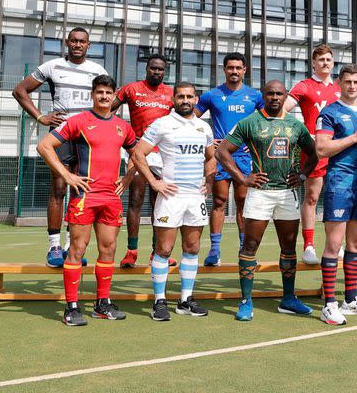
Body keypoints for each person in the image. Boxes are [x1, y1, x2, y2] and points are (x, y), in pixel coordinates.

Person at [36, 75, 137, 326]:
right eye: (100, 92)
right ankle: (71, 307)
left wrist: (127, 177)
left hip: (111, 198)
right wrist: (68, 175)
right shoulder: (78, 121)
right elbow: (45, 146)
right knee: (77, 250)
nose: (104, 96)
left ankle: (102, 303)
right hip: (85, 197)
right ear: (92, 95)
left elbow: (139, 154)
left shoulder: (123, 126)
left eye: (108, 93)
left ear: (115, 96)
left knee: (109, 249)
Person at [216, 80, 319, 322]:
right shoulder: (250, 122)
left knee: (289, 247)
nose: (274, 97)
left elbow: (314, 153)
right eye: (270, 93)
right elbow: (222, 151)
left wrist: (303, 175)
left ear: (285, 97)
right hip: (260, 193)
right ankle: (246, 301)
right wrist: (242, 178)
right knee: (250, 246)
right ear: (264, 96)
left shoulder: (295, 125)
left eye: (279, 94)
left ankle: (289, 299)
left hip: (287, 193)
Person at [13, 27, 107, 267]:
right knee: (58, 188)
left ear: (89, 45)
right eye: (74, 41)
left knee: (81, 189)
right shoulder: (52, 66)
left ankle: (71, 246)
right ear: (67, 43)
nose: (77, 45)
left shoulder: (97, 70)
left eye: (82, 42)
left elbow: (108, 99)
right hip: (62, 134)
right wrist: (40, 117)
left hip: (87, 136)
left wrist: (99, 125)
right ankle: (54, 246)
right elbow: (20, 91)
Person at [132, 82, 217, 321]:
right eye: (180, 96)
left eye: (190, 96)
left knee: (192, 248)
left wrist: (209, 182)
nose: (185, 100)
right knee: (164, 249)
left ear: (196, 100)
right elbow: (138, 154)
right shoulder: (163, 124)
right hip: (170, 196)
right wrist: (153, 182)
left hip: (195, 197)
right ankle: (159, 301)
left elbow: (211, 158)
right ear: (174, 99)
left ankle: (185, 300)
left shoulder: (204, 127)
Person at [315, 64, 357, 325]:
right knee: (334, 245)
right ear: (339, 83)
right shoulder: (329, 113)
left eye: (356, 82)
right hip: (338, 185)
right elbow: (321, 148)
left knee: (356, 246)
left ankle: (351, 299)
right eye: (347, 81)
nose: (352, 86)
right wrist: (354, 138)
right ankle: (329, 304)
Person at [195, 53, 263, 266]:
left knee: (244, 203)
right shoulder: (212, 96)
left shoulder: (254, 96)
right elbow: (189, 119)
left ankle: (245, 249)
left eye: (238, 68)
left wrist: (254, 141)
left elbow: (266, 121)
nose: (234, 71)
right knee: (218, 201)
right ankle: (215, 251)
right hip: (222, 157)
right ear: (224, 69)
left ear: (244, 70)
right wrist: (207, 139)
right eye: (230, 67)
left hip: (245, 158)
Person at [111, 55, 174, 268]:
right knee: (136, 200)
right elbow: (108, 110)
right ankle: (131, 251)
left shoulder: (171, 93)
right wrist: (124, 133)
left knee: (160, 201)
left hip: (163, 154)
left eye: (161, 69)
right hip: (139, 152)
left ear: (164, 72)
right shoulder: (131, 89)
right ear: (146, 68)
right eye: (153, 68)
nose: (157, 72)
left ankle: (157, 251)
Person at [284, 44, 341, 264]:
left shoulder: (339, 87)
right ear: (313, 63)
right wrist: (301, 131)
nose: (325, 63)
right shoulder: (305, 86)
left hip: (338, 150)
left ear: (332, 62)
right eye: (321, 60)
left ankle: (335, 243)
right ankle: (308, 246)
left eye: (328, 59)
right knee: (312, 197)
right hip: (315, 150)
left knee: (336, 196)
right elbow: (282, 109)